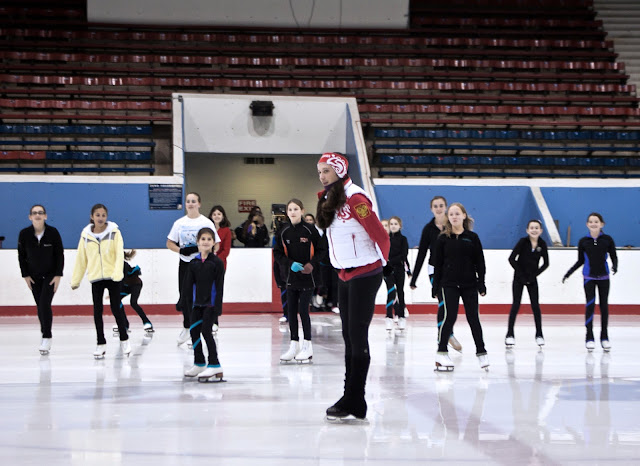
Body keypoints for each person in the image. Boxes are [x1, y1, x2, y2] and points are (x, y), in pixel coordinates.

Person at [316, 152, 390, 422]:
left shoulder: (356, 198)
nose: (321, 175)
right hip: (345, 274)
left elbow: (379, 233)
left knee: (357, 338)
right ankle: (352, 398)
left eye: (326, 170)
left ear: (338, 170)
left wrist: (385, 264)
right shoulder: (329, 197)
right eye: (320, 171)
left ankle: (354, 398)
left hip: (365, 274)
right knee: (348, 336)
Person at [432, 203, 488, 372]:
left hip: (469, 284)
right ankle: (441, 353)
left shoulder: (472, 237)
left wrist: (481, 282)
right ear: (448, 218)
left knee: (473, 318)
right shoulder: (443, 239)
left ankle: (481, 352)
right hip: (448, 284)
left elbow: (480, 262)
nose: (454, 216)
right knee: (449, 317)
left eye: (457, 213)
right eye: (451, 214)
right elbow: (438, 264)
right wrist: (435, 286)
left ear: (464, 215)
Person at [71, 204, 130, 359]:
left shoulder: (114, 233)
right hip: (96, 277)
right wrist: (76, 279)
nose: (101, 218)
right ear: (92, 216)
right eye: (97, 215)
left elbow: (119, 254)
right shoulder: (85, 236)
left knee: (116, 309)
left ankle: (124, 340)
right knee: (97, 311)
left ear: (106, 216)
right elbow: (81, 258)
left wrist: (118, 274)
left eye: (103, 215)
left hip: (113, 277)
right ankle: (100, 343)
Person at [274, 199, 327, 363]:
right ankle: (293, 344)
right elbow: (277, 253)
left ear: (302, 211)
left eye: (295, 209)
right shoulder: (283, 231)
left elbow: (322, 249)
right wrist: (290, 264)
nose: (292, 212)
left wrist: (312, 264)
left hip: (308, 277)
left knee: (303, 311)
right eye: (290, 209)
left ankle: (307, 346)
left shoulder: (310, 230)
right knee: (291, 312)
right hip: (291, 277)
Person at [166, 192, 220, 346]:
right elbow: (169, 243)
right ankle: (187, 326)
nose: (190, 204)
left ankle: (203, 327)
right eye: (188, 201)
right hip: (185, 264)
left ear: (199, 204)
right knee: (185, 297)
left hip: (202, 264)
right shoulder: (179, 223)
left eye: (193, 201)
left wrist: (207, 256)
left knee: (202, 296)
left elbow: (216, 243)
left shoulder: (206, 222)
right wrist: (181, 251)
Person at [410, 196, 462, 352]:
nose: (438, 208)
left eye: (441, 205)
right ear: (431, 209)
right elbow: (422, 254)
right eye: (435, 206)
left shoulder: (453, 225)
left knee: (451, 304)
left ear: (445, 207)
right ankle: (446, 335)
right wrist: (414, 278)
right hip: (435, 270)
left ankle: (446, 332)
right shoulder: (428, 229)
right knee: (443, 302)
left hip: (453, 269)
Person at [562, 212, 618, 352]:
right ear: (587, 224)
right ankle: (589, 337)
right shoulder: (583, 242)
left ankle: (604, 337)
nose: (593, 224)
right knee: (590, 305)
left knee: (604, 306)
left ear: (602, 224)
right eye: (591, 221)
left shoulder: (607, 239)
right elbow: (580, 260)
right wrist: (569, 273)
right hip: (589, 278)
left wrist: (615, 266)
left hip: (604, 277)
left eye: (596, 221)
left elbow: (613, 255)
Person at [17, 204, 64, 355]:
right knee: (40, 306)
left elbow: (59, 255)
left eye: (41, 212)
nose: (38, 215)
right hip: (33, 277)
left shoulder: (53, 232)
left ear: (45, 216)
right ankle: (44, 332)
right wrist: (25, 275)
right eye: (35, 213)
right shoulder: (24, 234)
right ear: (30, 217)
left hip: (50, 276)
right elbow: (21, 257)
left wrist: (58, 275)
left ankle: (47, 336)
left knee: (44, 303)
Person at [182, 228, 225, 382]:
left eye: (209, 239)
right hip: (196, 304)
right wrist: (183, 301)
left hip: (210, 305)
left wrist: (217, 306)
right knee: (194, 332)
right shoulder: (193, 263)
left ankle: (214, 364)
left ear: (213, 243)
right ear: (198, 242)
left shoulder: (217, 263)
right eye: (203, 239)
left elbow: (219, 286)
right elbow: (188, 285)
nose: (206, 242)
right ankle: (199, 362)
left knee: (206, 332)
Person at [505, 220, 549, 348]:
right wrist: (521, 273)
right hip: (519, 278)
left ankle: (539, 334)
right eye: (532, 228)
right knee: (516, 304)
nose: (534, 230)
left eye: (537, 228)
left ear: (541, 230)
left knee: (535, 306)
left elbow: (546, 263)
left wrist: (534, 275)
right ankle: (509, 334)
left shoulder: (542, 244)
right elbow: (511, 258)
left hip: (532, 279)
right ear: (527, 230)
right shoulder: (522, 242)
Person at [113, 249, 154, 334]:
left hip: (136, 285)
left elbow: (121, 279)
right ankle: (124, 324)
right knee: (116, 301)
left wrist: (115, 291)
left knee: (133, 303)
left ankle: (147, 322)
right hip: (126, 286)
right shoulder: (113, 265)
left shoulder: (123, 265)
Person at [209, 205, 232, 333]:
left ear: (223, 216)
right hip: (205, 266)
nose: (217, 216)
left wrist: (215, 258)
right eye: (214, 214)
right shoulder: (207, 229)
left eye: (219, 214)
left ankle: (215, 320)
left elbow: (226, 250)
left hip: (219, 265)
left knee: (217, 292)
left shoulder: (226, 231)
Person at [386, 216, 411, 331]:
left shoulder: (403, 239)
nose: (393, 226)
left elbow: (404, 255)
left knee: (400, 292)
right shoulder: (386, 238)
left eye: (396, 224)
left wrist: (408, 270)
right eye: (391, 224)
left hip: (399, 268)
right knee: (391, 292)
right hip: (388, 270)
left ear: (400, 226)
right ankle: (389, 317)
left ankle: (401, 316)